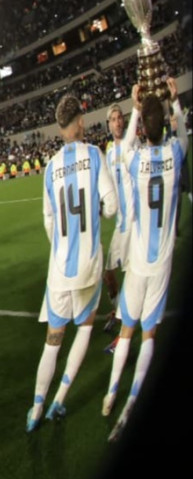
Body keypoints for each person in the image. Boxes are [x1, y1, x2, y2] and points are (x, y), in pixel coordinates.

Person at [25, 95, 117, 432]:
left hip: (59, 267)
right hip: (89, 263)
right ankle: (59, 399)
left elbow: (48, 220)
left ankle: (35, 409)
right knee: (85, 327)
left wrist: (62, 245)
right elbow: (111, 206)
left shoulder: (50, 167)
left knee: (53, 338)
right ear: (79, 122)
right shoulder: (94, 155)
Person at [103, 80, 186, 442]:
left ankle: (110, 391)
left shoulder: (133, 159)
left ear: (140, 128)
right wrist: (174, 103)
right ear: (163, 124)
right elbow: (182, 132)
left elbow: (124, 150)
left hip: (135, 261)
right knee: (149, 333)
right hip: (161, 262)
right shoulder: (177, 154)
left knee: (127, 330)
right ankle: (132, 400)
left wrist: (136, 106)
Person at [102, 102, 135, 352]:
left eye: (120, 117)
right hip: (120, 224)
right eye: (113, 118)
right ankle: (118, 308)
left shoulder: (131, 146)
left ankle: (123, 334)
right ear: (108, 124)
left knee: (130, 276)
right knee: (108, 272)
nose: (118, 121)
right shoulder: (110, 152)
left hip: (133, 224)